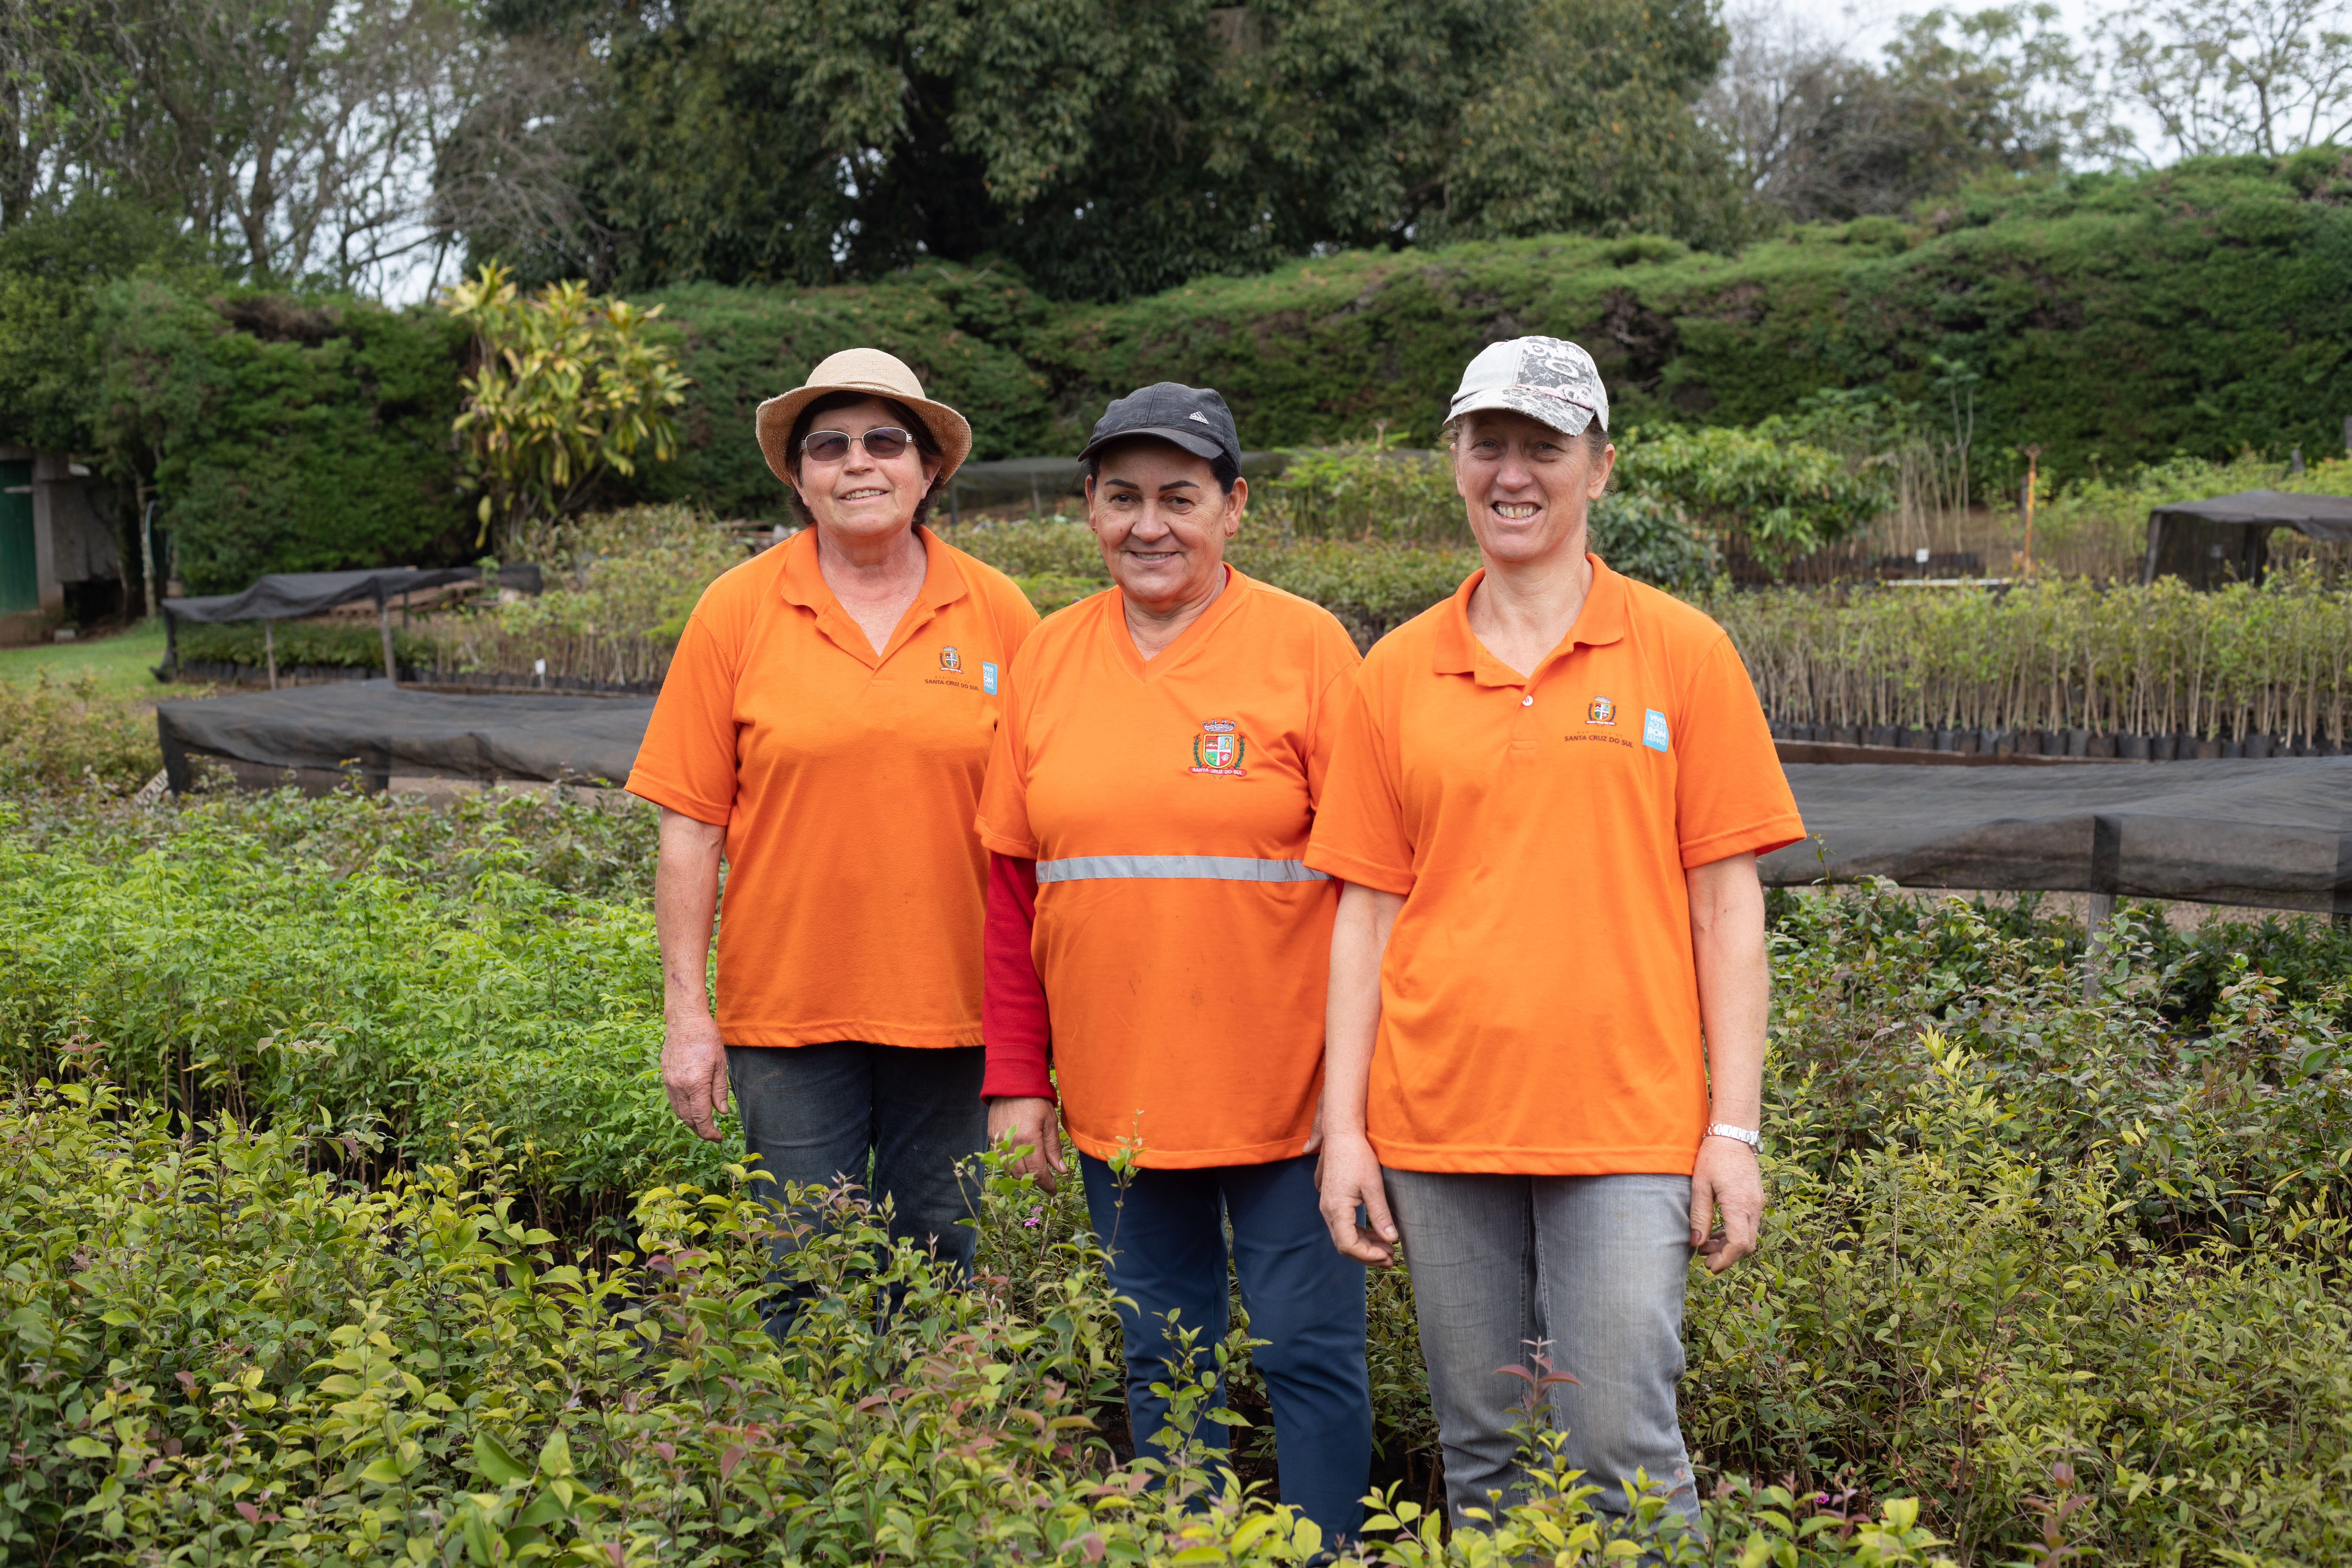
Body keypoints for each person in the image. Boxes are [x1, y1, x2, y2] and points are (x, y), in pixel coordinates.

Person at [1305, 338, 1803, 1529]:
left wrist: (1730, 1129)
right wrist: (1344, 1135)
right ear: (1457, 463)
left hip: (1628, 1123)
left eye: (1545, 446)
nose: (1513, 473)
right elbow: (1366, 911)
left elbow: (1729, 908)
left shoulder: (1681, 651)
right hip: (1437, 1124)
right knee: (1486, 1452)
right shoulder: (1397, 672)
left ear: (1601, 468)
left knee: (1622, 1442)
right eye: (1489, 445)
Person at [977, 383, 1373, 1537]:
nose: (1149, 525)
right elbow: (1013, 892)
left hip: (1289, 1098)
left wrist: (1358, 1093)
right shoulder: (1047, 659)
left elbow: (1367, 887)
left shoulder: (1307, 649)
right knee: (1163, 1355)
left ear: (1233, 507)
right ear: (1089, 510)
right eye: (1122, 498)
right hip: (1120, 1103)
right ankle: (1192, 1548)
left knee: (1308, 1354)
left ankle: (1324, 1553)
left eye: (1180, 498)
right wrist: (1016, 1080)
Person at [626, 348, 1041, 1328]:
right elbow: (691, 828)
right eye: (831, 446)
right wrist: (690, 1018)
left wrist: (1040, 1038)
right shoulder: (737, 610)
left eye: (886, 441)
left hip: (953, 1012)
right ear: (800, 476)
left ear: (929, 466)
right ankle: (810, 1479)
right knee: (801, 1269)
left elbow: (1041, 830)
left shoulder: (1001, 614)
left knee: (938, 1262)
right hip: (790, 1014)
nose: (860, 463)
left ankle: (930, 1468)